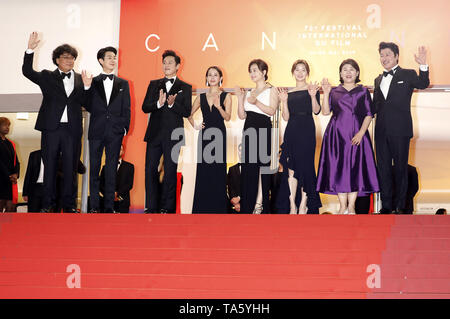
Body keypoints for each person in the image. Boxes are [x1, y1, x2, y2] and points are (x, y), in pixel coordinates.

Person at [22, 32, 85, 213]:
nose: (69, 60)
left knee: (70, 168)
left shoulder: (81, 78)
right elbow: (27, 72)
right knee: (49, 167)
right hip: (51, 129)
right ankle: (48, 205)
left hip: (72, 130)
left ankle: (69, 205)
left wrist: (88, 87)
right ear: (57, 60)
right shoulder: (47, 76)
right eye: (65, 57)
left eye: (72, 57)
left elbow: (87, 102)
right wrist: (29, 50)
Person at [316, 59, 379, 214]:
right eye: (345, 69)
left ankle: (351, 206)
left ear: (357, 73)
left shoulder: (363, 91)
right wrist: (326, 92)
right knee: (339, 169)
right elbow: (325, 112)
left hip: (357, 135)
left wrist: (361, 133)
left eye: (352, 69)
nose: (348, 72)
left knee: (355, 168)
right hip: (336, 136)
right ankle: (342, 206)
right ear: (340, 73)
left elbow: (369, 115)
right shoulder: (334, 91)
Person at [373, 42, 429, 214]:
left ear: (397, 56)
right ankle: (387, 205)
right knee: (383, 169)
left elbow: (423, 83)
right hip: (381, 132)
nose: (385, 58)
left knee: (400, 168)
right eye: (382, 55)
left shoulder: (408, 74)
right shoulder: (378, 79)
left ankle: (401, 206)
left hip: (400, 130)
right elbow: (374, 106)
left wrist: (423, 65)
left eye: (388, 54)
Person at [82, 46, 131, 214]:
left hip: (115, 132)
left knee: (111, 170)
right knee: (94, 168)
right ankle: (95, 206)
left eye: (115, 57)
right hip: (96, 131)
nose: (113, 60)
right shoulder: (93, 82)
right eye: (109, 57)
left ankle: (109, 207)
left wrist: (124, 129)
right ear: (101, 61)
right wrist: (87, 88)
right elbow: (87, 105)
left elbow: (127, 108)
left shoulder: (123, 83)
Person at [142, 50, 192, 214]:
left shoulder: (185, 87)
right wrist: (158, 103)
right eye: (164, 62)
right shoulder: (154, 84)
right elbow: (145, 107)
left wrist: (172, 104)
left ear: (178, 65)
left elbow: (186, 111)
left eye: (170, 62)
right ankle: (151, 206)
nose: (166, 65)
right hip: (154, 134)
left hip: (174, 136)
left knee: (170, 171)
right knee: (150, 169)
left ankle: (167, 208)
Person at [277, 59, 322, 214]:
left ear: (307, 73)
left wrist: (312, 96)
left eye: (303, 70)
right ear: (293, 72)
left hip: (307, 130)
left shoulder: (311, 89)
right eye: (297, 70)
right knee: (290, 168)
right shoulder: (287, 93)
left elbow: (316, 111)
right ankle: (292, 205)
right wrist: (283, 101)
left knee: (306, 168)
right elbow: (286, 117)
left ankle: (303, 203)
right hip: (292, 130)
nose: (300, 73)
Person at [234, 59, 279, 214]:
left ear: (264, 72)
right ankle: (248, 207)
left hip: (263, 128)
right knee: (248, 169)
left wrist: (256, 102)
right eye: (251, 71)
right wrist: (241, 99)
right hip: (249, 130)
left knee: (262, 169)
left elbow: (272, 111)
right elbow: (241, 115)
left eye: (255, 70)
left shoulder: (272, 90)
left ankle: (261, 205)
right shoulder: (248, 92)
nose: (252, 74)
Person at [188, 66, 231, 213]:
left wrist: (219, 107)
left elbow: (228, 117)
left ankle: (218, 209)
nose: (212, 77)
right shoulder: (200, 97)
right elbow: (189, 114)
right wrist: (196, 126)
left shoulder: (227, 96)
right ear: (206, 78)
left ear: (220, 78)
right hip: (205, 136)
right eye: (209, 75)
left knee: (218, 170)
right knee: (204, 171)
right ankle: (202, 208)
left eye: (215, 75)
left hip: (219, 134)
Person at [99, 144, 134, 213]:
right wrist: (110, 194)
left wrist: (117, 194)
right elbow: (101, 184)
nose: (118, 151)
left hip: (123, 202)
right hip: (107, 202)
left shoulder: (130, 167)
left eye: (120, 149)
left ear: (123, 151)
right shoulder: (105, 167)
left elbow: (129, 185)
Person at [0, 117, 20, 212]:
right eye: (4, 125)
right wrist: (9, 175)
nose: (7, 127)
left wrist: (16, 174)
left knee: (10, 209)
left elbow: (17, 162)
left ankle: (7, 227)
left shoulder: (10, 143)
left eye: (8, 125)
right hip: (1, 180)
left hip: (10, 181)